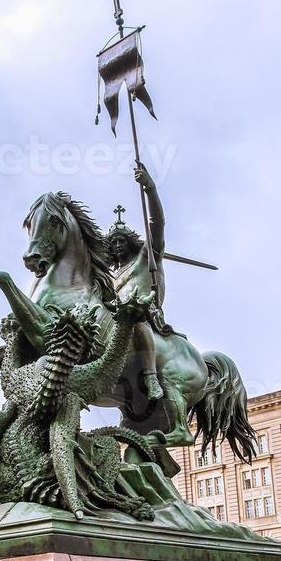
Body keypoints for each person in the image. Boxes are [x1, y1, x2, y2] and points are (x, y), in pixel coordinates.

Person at [106, 162, 171, 401]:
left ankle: (151, 376)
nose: (118, 244)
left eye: (121, 240)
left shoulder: (147, 256)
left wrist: (150, 189)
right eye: (113, 243)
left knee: (137, 320)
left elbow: (157, 224)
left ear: (130, 242)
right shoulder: (111, 276)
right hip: (115, 319)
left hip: (141, 313)